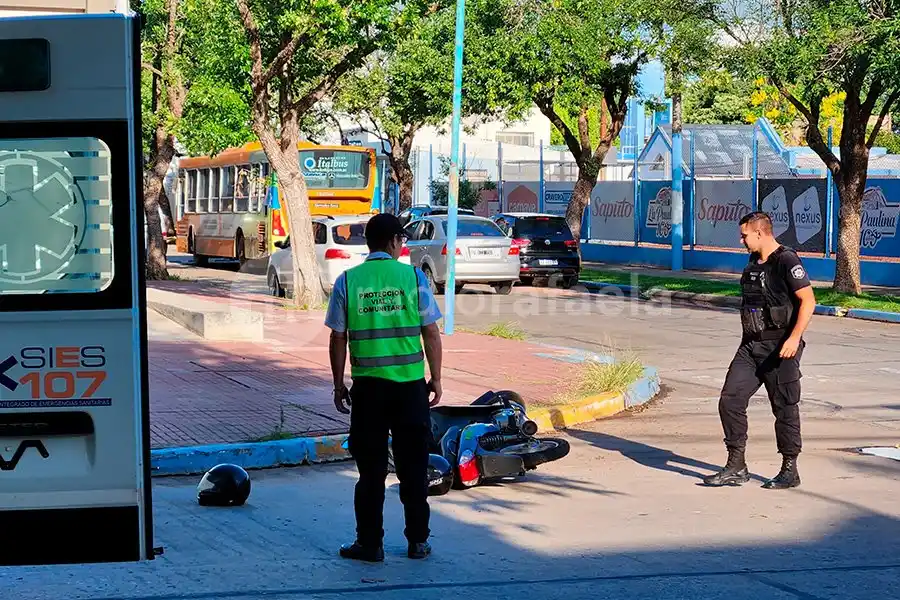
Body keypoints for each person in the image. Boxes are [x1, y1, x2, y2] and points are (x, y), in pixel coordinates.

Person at [325, 212, 444, 562]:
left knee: (371, 472)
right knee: (413, 468)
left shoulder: (348, 281)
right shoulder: (413, 277)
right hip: (410, 389)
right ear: (393, 242)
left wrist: (338, 385)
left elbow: (338, 337)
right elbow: (431, 332)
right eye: (401, 240)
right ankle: (417, 541)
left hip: (368, 392)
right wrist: (436, 378)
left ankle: (369, 543)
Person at [703, 211, 816, 490]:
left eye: (744, 235)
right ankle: (736, 465)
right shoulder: (754, 261)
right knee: (730, 400)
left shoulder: (787, 260)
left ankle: (789, 470)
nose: (741, 240)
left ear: (759, 233)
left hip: (780, 347)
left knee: (784, 407)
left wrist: (794, 338)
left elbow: (808, 301)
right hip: (750, 346)